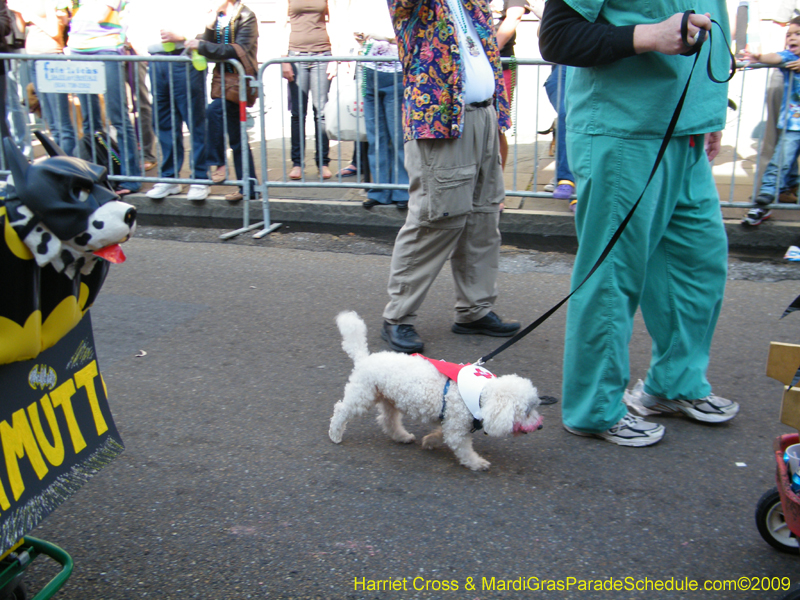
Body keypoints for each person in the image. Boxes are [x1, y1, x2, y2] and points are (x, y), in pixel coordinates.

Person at [539, 0, 739, 447]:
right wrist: (648, 36)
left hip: (685, 130)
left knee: (699, 265)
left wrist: (711, 113)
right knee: (613, 278)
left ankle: (673, 386)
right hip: (623, 129)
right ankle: (593, 409)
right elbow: (556, 35)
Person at [381, 0, 520, 354]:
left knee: (483, 218)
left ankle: (474, 310)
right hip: (441, 121)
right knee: (435, 219)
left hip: (483, 115)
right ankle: (398, 317)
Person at [126, 0, 209, 202]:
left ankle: (200, 178)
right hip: (157, 58)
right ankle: (169, 177)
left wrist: (183, 36)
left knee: (194, 120)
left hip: (185, 56)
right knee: (165, 123)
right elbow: (133, 23)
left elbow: (207, 22)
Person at [67, 0, 142, 195]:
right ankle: (94, 176)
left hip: (106, 48)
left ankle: (131, 178)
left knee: (118, 118)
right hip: (78, 49)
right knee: (90, 122)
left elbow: (100, 14)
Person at [187, 0, 258, 203]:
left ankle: (218, 162)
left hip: (241, 81)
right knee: (237, 138)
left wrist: (202, 44)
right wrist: (209, 26)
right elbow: (208, 48)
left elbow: (238, 49)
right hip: (223, 81)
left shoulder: (246, 15)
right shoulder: (217, 18)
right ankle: (249, 187)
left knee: (214, 112)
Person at [741, 17, 800, 226]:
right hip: (794, 124)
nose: (792, 38)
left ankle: (789, 187)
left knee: (788, 161)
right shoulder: (788, 57)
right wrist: (758, 56)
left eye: (798, 34)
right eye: (789, 34)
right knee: (781, 158)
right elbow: (774, 57)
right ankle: (765, 195)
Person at [280, 0, 347, 181]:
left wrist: (335, 57)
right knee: (297, 113)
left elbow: (334, 23)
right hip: (296, 56)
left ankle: (323, 162)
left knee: (321, 112)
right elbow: (282, 25)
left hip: (322, 55)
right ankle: (297, 163)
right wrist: (283, 59)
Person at [351, 0, 409, 210]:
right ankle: (380, 189)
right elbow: (359, 31)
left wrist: (376, 34)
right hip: (369, 70)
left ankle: (402, 189)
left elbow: (400, 32)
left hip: (396, 72)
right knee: (376, 137)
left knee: (398, 137)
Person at [18, 0, 76, 156]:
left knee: (62, 122)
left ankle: (71, 166)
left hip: (51, 58)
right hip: (33, 58)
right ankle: (59, 164)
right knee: (51, 122)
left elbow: (54, 31)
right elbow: (20, 29)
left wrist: (29, 14)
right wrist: (18, 12)